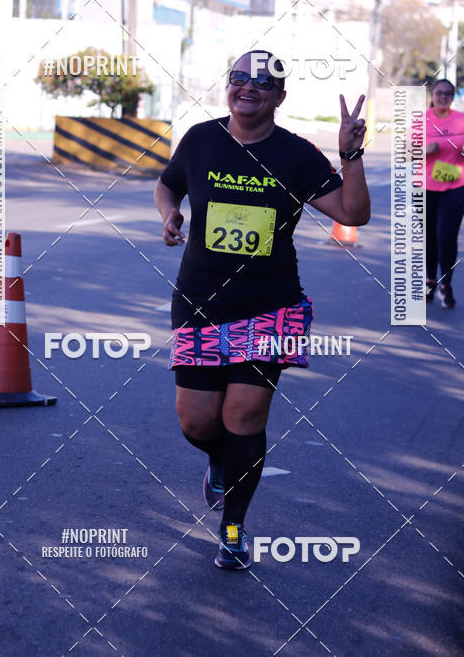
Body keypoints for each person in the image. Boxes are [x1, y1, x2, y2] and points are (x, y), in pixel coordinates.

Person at [154, 50, 370, 571]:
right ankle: (219, 463)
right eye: (238, 78)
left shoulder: (296, 154)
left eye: (262, 82)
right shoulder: (201, 138)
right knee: (196, 422)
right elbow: (168, 183)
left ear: (279, 96)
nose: (247, 87)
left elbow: (352, 212)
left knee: (244, 414)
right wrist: (170, 213)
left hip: (270, 306)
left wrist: (351, 154)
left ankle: (233, 527)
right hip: (201, 302)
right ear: (227, 86)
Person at [425, 79, 464, 308]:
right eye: (439, 93)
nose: (443, 97)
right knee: (429, 237)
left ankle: (447, 282)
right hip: (425, 188)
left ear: (453, 96)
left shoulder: (463, 120)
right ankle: (430, 280)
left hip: (455, 188)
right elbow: (404, 151)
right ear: (433, 94)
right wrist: (423, 150)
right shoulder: (421, 120)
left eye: (448, 93)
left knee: (446, 237)